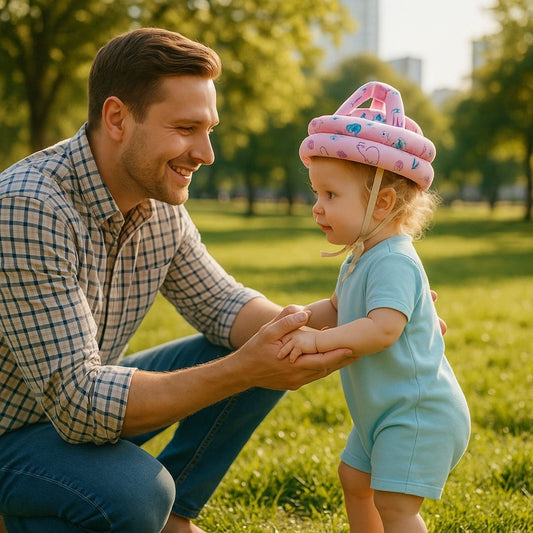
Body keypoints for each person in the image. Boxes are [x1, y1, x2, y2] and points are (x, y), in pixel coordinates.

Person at [0, 28, 358, 533]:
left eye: (208, 129)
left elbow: (227, 308)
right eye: (187, 128)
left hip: (63, 415)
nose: (206, 152)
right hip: (10, 432)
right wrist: (244, 369)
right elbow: (78, 405)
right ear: (118, 118)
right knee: (135, 491)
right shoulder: (30, 208)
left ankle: (175, 520)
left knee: (269, 344)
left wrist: (354, 311)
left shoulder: (156, 202)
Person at [278, 81, 470, 532]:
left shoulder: (395, 260)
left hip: (416, 413)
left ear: (382, 203)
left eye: (330, 195)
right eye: (316, 194)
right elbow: (337, 306)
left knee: (396, 506)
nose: (316, 208)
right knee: (354, 478)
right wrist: (298, 319)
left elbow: (382, 329)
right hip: (382, 411)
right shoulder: (362, 254)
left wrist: (318, 339)